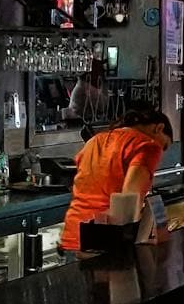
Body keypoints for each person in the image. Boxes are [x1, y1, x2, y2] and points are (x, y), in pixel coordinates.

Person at [60, 107, 174, 251]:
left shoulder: (94, 140)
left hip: (72, 235)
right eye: (164, 145)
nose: (161, 151)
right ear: (159, 128)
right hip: (104, 240)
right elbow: (129, 199)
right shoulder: (148, 146)